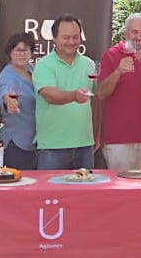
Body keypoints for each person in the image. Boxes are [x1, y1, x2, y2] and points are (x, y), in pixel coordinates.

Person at [96, 13, 141, 170]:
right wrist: (117, 72)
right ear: (125, 34)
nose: (139, 37)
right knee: (120, 190)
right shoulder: (111, 55)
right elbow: (101, 93)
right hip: (118, 140)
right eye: (134, 32)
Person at [33, 14, 95, 170]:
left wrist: (97, 134)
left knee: (84, 194)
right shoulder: (44, 65)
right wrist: (74, 95)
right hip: (53, 148)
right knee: (50, 194)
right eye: (66, 37)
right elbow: (50, 96)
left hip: (85, 146)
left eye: (75, 37)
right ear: (54, 38)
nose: (72, 42)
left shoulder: (88, 64)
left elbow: (97, 98)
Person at [0, 32, 38, 170]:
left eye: (26, 50)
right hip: (17, 144)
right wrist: (9, 102)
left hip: (37, 142)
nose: (22, 54)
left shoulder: (34, 71)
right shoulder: (7, 76)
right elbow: (5, 93)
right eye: (18, 50)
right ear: (10, 53)